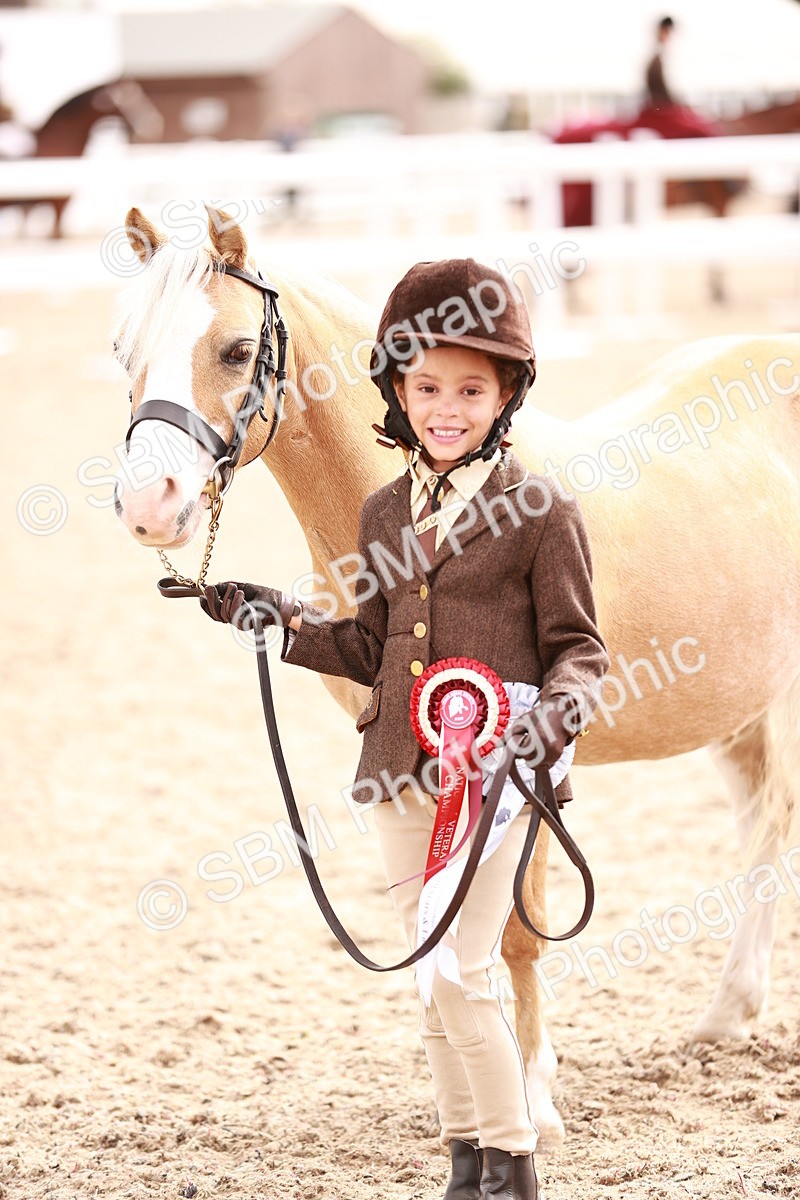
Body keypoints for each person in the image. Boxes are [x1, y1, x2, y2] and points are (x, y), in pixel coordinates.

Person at [200, 259, 610, 1199]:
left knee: (467, 968)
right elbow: (371, 646)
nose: (447, 409)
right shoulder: (383, 510)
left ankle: (513, 1160)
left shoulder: (541, 508)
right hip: (397, 766)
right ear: (398, 392)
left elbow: (581, 650)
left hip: (497, 772)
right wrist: (278, 621)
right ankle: (464, 1158)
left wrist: (543, 723)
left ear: (506, 394)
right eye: (427, 388)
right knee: (430, 976)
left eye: (471, 388)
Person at [640, 15, 722, 137]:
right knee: (702, 131)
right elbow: (659, 94)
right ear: (663, 31)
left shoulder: (661, 57)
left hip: (664, 109)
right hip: (662, 112)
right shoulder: (656, 60)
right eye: (668, 31)